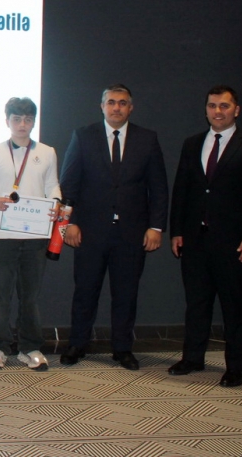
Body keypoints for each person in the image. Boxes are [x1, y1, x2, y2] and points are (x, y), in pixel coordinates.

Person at [167, 86, 242, 387]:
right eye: (212, 106)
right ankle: (192, 358)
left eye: (224, 106)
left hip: (235, 244)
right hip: (195, 241)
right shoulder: (192, 144)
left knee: (235, 308)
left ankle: (236, 367)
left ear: (236, 110)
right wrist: (177, 231)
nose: (217, 111)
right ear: (206, 109)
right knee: (197, 304)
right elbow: (182, 191)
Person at [59, 84, 168, 370]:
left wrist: (156, 227)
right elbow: (68, 184)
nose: (116, 107)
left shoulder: (147, 139)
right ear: (102, 106)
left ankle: (122, 348)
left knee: (126, 294)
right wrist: (70, 222)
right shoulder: (83, 136)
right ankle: (77, 344)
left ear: (130, 107)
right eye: (111, 102)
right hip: (89, 231)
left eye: (122, 103)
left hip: (132, 233)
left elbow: (158, 187)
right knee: (85, 291)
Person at [0, 97, 61, 371]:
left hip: (36, 235)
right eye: (17, 119)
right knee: (1, 295)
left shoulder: (47, 152)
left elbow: (53, 185)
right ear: (7, 121)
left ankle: (30, 347)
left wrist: (56, 202)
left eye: (28, 119)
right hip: (2, 235)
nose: (22, 124)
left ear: (33, 122)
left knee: (30, 296)